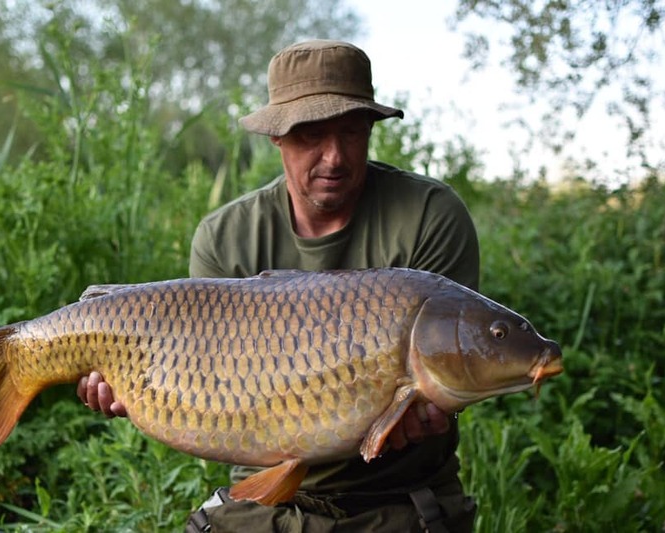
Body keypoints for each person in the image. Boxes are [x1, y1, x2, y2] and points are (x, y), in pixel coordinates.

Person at [78, 39, 480, 532]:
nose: (334, 157)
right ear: (277, 136)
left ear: (370, 130)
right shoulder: (225, 236)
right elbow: (210, 386)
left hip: (396, 497)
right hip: (264, 499)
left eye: (351, 133)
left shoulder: (428, 216)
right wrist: (134, 386)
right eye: (312, 135)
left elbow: (448, 373)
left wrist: (427, 407)